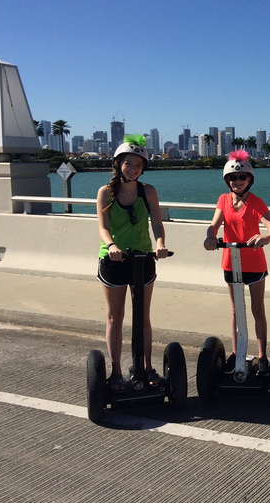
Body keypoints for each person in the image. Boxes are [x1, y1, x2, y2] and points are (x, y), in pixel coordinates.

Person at [96, 134, 169, 393]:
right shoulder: (106, 193)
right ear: (118, 164)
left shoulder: (147, 191)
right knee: (115, 317)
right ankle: (116, 373)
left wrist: (160, 244)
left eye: (138, 165)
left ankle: (146, 368)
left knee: (143, 318)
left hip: (143, 259)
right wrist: (113, 246)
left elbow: (158, 223)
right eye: (128, 164)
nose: (133, 169)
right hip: (114, 260)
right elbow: (103, 229)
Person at [204, 150, 270, 374]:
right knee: (236, 311)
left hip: (254, 263)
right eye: (233, 178)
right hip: (231, 261)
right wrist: (210, 236)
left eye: (242, 177)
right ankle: (237, 353)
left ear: (250, 179)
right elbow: (214, 225)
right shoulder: (223, 200)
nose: (237, 181)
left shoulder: (256, 202)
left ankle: (262, 357)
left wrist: (263, 237)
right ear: (227, 180)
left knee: (257, 309)